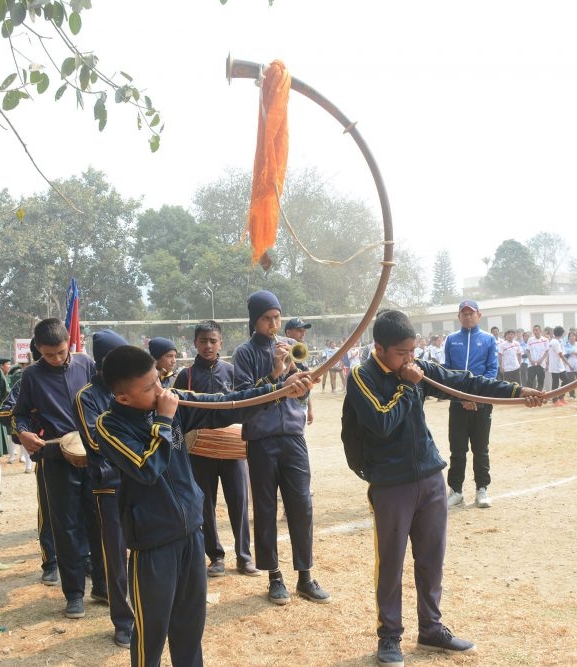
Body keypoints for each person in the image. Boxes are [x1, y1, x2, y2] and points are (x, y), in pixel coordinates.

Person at [343, 309, 544, 667]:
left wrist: (517, 390)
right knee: (390, 562)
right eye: (402, 352)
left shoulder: (416, 367)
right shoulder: (362, 376)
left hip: (430, 476)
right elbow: (382, 422)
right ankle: (389, 636)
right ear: (380, 348)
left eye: (413, 350)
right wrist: (409, 384)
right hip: (391, 484)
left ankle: (431, 628)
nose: (410, 358)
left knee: (432, 558)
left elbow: (463, 381)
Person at [95, 344, 311, 667]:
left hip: (191, 534)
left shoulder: (172, 400)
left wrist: (279, 391)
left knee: (189, 628)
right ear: (123, 397)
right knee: (151, 632)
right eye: (149, 387)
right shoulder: (110, 425)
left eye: (158, 380)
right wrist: (165, 421)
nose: (160, 390)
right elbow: (147, 467)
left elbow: (227, 405)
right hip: (152, 546)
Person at [233, 290, 331, 606]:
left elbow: (301, 396)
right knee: (265, 507)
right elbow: (245, 399)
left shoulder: (291, 347)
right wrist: (276, 372)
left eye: (277, 317)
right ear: (255, 320)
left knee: (301, 504)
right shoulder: (243, 353)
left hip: (292, 435)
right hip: (261, 439)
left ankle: (305, 576)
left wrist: (298, 381)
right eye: (267, 318)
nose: (274, 324)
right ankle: (274, 576)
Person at [12, 318, 105, 619]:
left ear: (70, 343)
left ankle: (103, 586)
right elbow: (19, 416)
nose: (56, 359)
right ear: (38, 349)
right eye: (49, 354)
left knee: (100, 521)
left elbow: (103, 401)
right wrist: (24, 434)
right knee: (66, 527)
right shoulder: (32, 377)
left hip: (92, 457)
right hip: (56, 460)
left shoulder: (86, 364)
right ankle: (74, 593)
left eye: (61, 352)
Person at [173, 320, 259, 578]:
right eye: (203, 341)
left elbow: (247, 403)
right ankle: (216, 557)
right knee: (205, 505)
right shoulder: (184, 376)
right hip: (199, 452)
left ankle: (244, 557)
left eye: (213, 340)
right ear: (195, 343)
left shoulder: (234, 372)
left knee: (239, 503)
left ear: (221, 342)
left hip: (233, 449)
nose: (208, 346)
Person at [72, 330, 135, 649]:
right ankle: (123, 621)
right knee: (115, 556)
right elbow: (97, 442)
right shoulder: (86, 396)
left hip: (138, 480)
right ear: (104, 362)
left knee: (143, 550)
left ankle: (146, 612)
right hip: (109, 485)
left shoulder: (132, 386)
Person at [443, 300, 499, 509]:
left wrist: (476, 398)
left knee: (480, 448)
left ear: (479, 315)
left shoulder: (488, 339)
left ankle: (481, 489)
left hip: (482, 403)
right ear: (459, 316)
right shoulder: (451, 340)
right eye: (464, 313)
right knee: (457, 449)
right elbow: (446, 372)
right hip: (458, 403)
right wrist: (461, 398)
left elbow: (492, 370)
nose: (467, 316)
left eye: (471, 313)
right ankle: (456, 491)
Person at [284, 317, 314, 425]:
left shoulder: (302, 353)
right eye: (299, 330)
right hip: (287, 407)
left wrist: (309, 408)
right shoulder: (280, 352)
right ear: (288, 332)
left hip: (302, 405)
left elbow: (307, 383)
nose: (303, 333)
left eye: (304, 330)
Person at [548, 326, 571, 406]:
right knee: (555, 383)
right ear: (561, 333)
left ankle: (561, 397)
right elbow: (560, 354)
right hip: (555, 366)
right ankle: (555, 400)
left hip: (559, 366)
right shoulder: (555, 342)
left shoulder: (555, 341)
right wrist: (568, 364)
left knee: (566, 380)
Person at [526, 325, 549, 391]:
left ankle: (538, 396)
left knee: (540, 381)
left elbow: (547, 351)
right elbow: (528, 351)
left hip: (541, 364)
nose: (535, 331)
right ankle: (529, 396)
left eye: (536, 330)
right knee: (530, 381)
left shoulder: (545, 340)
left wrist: (541, 360)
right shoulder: (530, 340)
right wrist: (531, 360)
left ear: (540, 331)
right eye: (534, 330)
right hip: (532, 364)